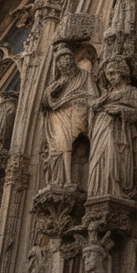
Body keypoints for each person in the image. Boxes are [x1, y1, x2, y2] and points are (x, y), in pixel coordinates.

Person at [87, 60, 137, 197]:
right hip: (101, 129)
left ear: (122, 72)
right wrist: (94, 108)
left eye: (113, 73)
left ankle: (115, 191)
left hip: (119, 131)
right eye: (108, 74)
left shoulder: (132, 92)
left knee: (113, 158)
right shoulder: (105, 96)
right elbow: (92, 110)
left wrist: (120, 111)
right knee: (99, 160)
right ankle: (99, 190)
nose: (110, 77)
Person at [44, 45, 94, 186]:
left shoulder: (84, 75)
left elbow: (92, 96)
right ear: (58, 65)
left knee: (72, 145)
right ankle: (60, 180)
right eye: (61, 60)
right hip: (58, 115)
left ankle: (71, 180)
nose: (64, 61)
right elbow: (45, 103)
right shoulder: (57, 83)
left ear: (72, 60)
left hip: (77, 113)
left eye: (67, 57)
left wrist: (80, 100)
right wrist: (51, 92)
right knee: (60, 147)